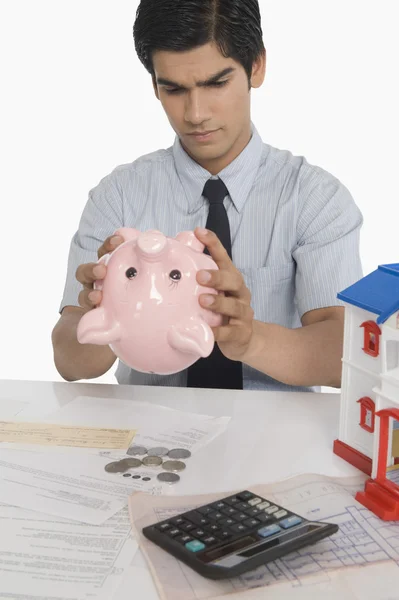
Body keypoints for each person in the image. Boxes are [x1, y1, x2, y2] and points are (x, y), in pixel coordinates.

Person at [52, 0, 363, 392]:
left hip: (274, 437)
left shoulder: (315, 198)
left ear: (257, 66)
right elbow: (67, 360)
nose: (195, 113)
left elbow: (344, 354)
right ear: (154, 86)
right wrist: (107, 312)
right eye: (174, 89)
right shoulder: (119, 195)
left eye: (216, 83)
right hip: (147, 435)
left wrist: (250, 340)